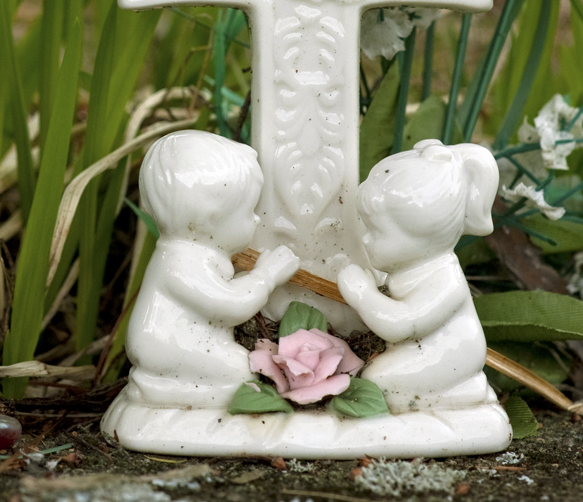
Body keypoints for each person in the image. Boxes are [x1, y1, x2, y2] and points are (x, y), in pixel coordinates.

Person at [125, 130, 301, 408]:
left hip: (183, 344)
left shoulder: (189, 254)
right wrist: (266, 276)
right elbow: (230, 306)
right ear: (210, 220)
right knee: (240, 369)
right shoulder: (181, 261)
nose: (256, 220)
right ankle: (161, 392)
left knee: (237, 365)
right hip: (164, 348)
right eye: (248, 212)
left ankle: (169, 389)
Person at [337, 139, 499, 413]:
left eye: (376, 232)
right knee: (369, 373)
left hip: (450, 357)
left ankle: (462, 393)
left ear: (423, 239)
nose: (365, 238)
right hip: (416, 351)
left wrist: (363, 296)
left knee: (377, 381)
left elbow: (402, 323)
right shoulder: (410, 266)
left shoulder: (446, 280)